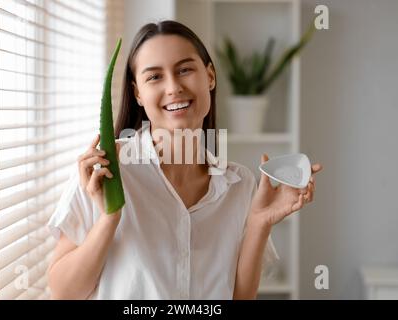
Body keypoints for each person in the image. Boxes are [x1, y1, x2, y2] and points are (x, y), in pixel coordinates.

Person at [46, 20, 322, 300]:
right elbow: (64, 293)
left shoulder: (239, 185)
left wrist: (260, 222)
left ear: (210, 76)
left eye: (185, 69)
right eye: (154, 77)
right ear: (138, 93)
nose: (174, 87)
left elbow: (238, 297)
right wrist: (109, 217)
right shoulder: (105, 171)